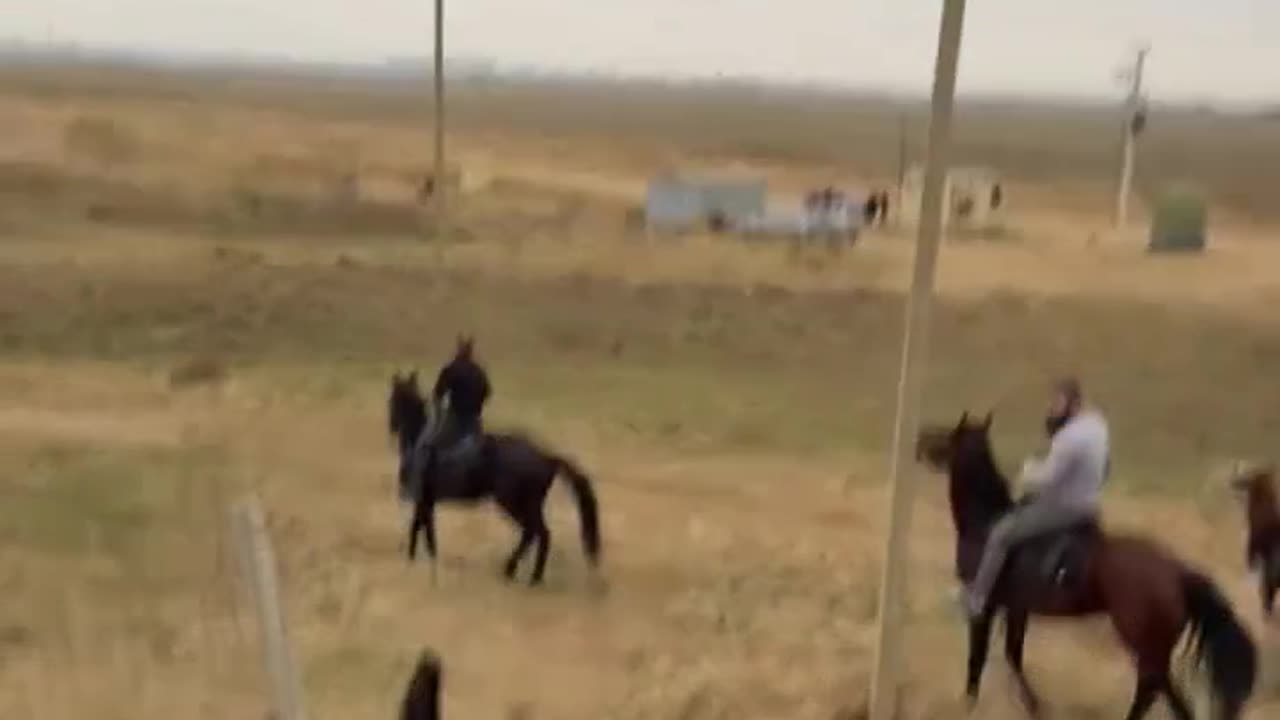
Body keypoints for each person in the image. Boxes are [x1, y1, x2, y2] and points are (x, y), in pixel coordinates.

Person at [964, 377, 1110, 618]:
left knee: (1002, 533)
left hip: (1064, 507)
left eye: (1057, 403)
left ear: (1072, 405)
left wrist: (1026, 471)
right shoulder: (1097, 424)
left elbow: (1048, 479)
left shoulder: (1069, 438)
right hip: (1090, 503)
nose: (1051, 408)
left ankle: (977, 600)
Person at [421, 335, 492, 484]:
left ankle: (425, 477)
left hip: (455, 417)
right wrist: (477, 405)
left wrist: (439, 412)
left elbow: (438, 393)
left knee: (431, 444)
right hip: (474, 418)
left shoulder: (452, 368)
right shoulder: (478, 371)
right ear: (471, 352)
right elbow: (487, 392)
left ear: (458, 350)